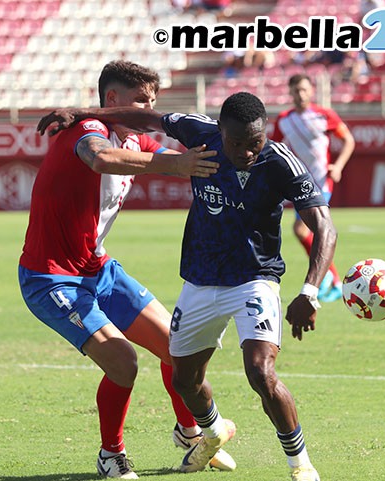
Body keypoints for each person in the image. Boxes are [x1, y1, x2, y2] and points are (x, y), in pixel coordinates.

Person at [37, 91, 338, 481]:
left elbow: (324, 227)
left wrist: (309, 291)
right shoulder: (201, 133)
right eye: (237, 144)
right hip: (200, 281)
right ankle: (209, 434)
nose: (247, 153)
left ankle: (301, 465)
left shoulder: (280, 162)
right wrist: (82, 112)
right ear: (221, 133)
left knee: (260, 372)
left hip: (255, 279)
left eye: (255, 143)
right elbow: (149, 119)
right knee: (184, 379)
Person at [19, 60, 235, 479]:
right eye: (139, 101)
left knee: (179, 347)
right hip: (51, 277)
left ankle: (191, 434)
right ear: (112, 100)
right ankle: (111, 455)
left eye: (152, 102)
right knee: (123, 361)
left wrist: (237, 160)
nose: (147, 111)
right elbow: (99, 159)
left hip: (99, 270)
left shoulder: (135, 140)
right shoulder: (87, 132)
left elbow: (189, 159)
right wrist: (176, 165)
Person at [271, 74, 355, 303]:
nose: (300, 95)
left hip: (321, 181)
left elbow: (348, 140)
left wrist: (337, 166)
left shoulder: (324, 115)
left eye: (304, 90)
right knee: (309, 231)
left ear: (312, 90)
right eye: (296, 90)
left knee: (306, 229)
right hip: (300, 182)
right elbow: (275, 148)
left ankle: (331, 278)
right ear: (290, 92)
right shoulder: (284, 119)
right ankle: (331, 278)